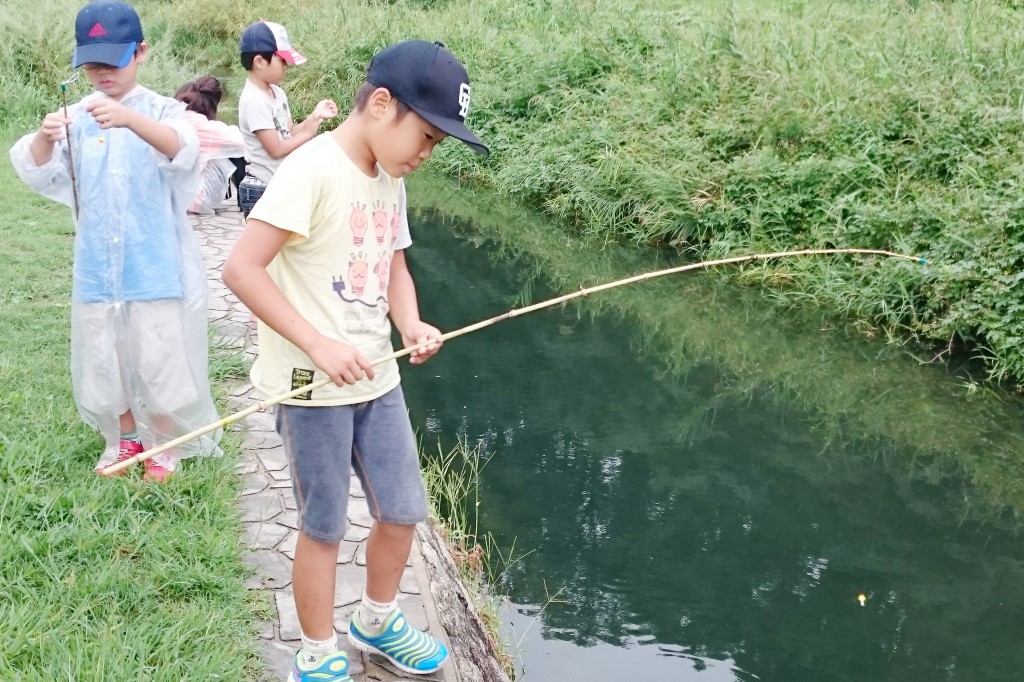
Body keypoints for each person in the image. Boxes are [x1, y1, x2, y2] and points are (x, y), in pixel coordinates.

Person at [223, 40, 489, 682]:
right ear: (379, 104)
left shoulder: (387, 180)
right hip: (312, 387)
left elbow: (394, 264)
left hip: (379, 377)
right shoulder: (311, 171)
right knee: (323, 525)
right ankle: (315, 648)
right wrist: (317, 342)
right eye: (426, 137)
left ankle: (376, 620)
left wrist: (412, 323)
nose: (426, 154)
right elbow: (240, 269)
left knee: (402, 510)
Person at [8, 0, 221, 482]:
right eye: (92, 63)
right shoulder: (77, 115)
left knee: (159, 356)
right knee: (106, 359)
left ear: (141, 52)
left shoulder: (163, 110)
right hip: (98, 269)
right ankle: (124, 436)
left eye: (114, 60)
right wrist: (46, 136)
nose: (102, 73)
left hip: (154, 264)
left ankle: (163, 442)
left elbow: (182, 150)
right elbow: (37, 167)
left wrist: (129, 119)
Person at [236, 19, 338, 217]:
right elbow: (275, 149)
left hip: (278, 183)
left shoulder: (276, 93)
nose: (286, 66)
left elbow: (289, 133)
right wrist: (308, 134)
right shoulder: (254, 101)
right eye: (282, 61)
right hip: (261, 188)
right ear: (259, 62)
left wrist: (314, 117)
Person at [174, 75, 245, 215]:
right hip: (195, 199)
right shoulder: (204, 127)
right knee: (233, 150)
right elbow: (241, 143)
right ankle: (245, 200)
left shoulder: (178, 115)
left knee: (219, 149)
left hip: (174, 194)